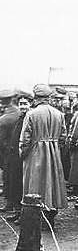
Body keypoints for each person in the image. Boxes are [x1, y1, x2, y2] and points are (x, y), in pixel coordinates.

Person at [19, 84, 68, 228]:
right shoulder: (59, 114)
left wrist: (23, 154)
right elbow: (63, 137)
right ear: (48, 98)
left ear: (36, 98)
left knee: (35, 183)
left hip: (35, 153)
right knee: (52, 182)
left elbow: (25, 139)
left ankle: (36, 218)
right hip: (53, 153)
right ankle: (50, 216)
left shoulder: (31, 114)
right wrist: (54, 149)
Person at [4, 92, 32, 223]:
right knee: (15, 183)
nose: (23, 106)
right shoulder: (20, 117)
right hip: (14, 155)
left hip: (24, 156)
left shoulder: (29, 118)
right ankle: (17, 210)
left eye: (25, 104)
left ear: (30, 104)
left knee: (22, 185)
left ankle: (23, 214)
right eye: (21, 104)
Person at [0, 90, 24, 212]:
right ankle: (13, 204)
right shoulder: (19, 112)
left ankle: (11, 204)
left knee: (9, 177)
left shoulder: (5, 118)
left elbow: (1, 139)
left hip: (8, 151)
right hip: (18, 149)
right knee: (16, 178)